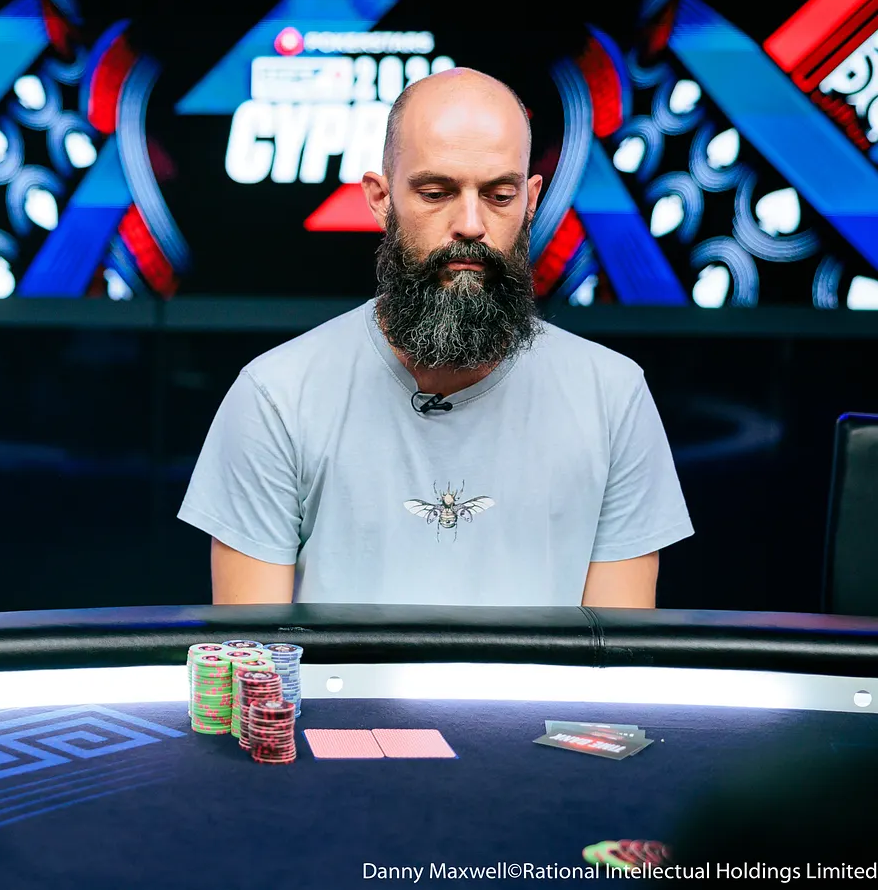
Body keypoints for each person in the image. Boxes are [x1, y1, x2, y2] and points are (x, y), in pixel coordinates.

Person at [180, 67, 691, 609]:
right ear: (380, 198)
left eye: (499, 195)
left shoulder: (612, 397)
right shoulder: (276, 397)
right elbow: (255, 654)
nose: (470, 224)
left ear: (531, 199)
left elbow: (617, 653)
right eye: (435, 192)